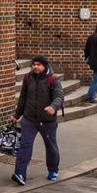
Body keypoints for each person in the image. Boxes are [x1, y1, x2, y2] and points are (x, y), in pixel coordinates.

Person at [10, 55, 64, 186]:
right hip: (29, 119)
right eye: (34, 64)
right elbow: (23, 98)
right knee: (25, 146)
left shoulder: (53, 79)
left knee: (51, 146)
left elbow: (59, 96)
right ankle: (20, 174)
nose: (35, 67)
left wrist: (53, 107)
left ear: (44, 66)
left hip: (47, 121)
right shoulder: (28, 78)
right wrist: (17, 115)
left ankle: (53, 170)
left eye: (39, 65)